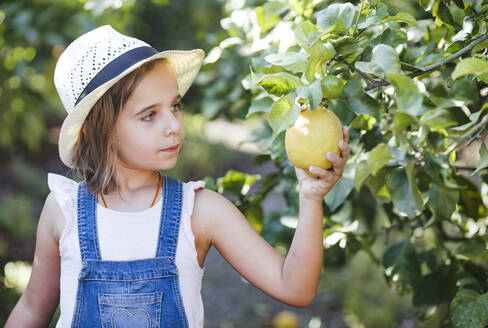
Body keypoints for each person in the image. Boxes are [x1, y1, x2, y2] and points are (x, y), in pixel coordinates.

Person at [5, 25, 350, 328]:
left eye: (175, 106)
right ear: (101, 131)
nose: (173, 126)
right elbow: (33, 309)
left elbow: (295, 288)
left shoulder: (200, 211)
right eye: (149, 115)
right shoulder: (64, 211)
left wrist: (311, 198)